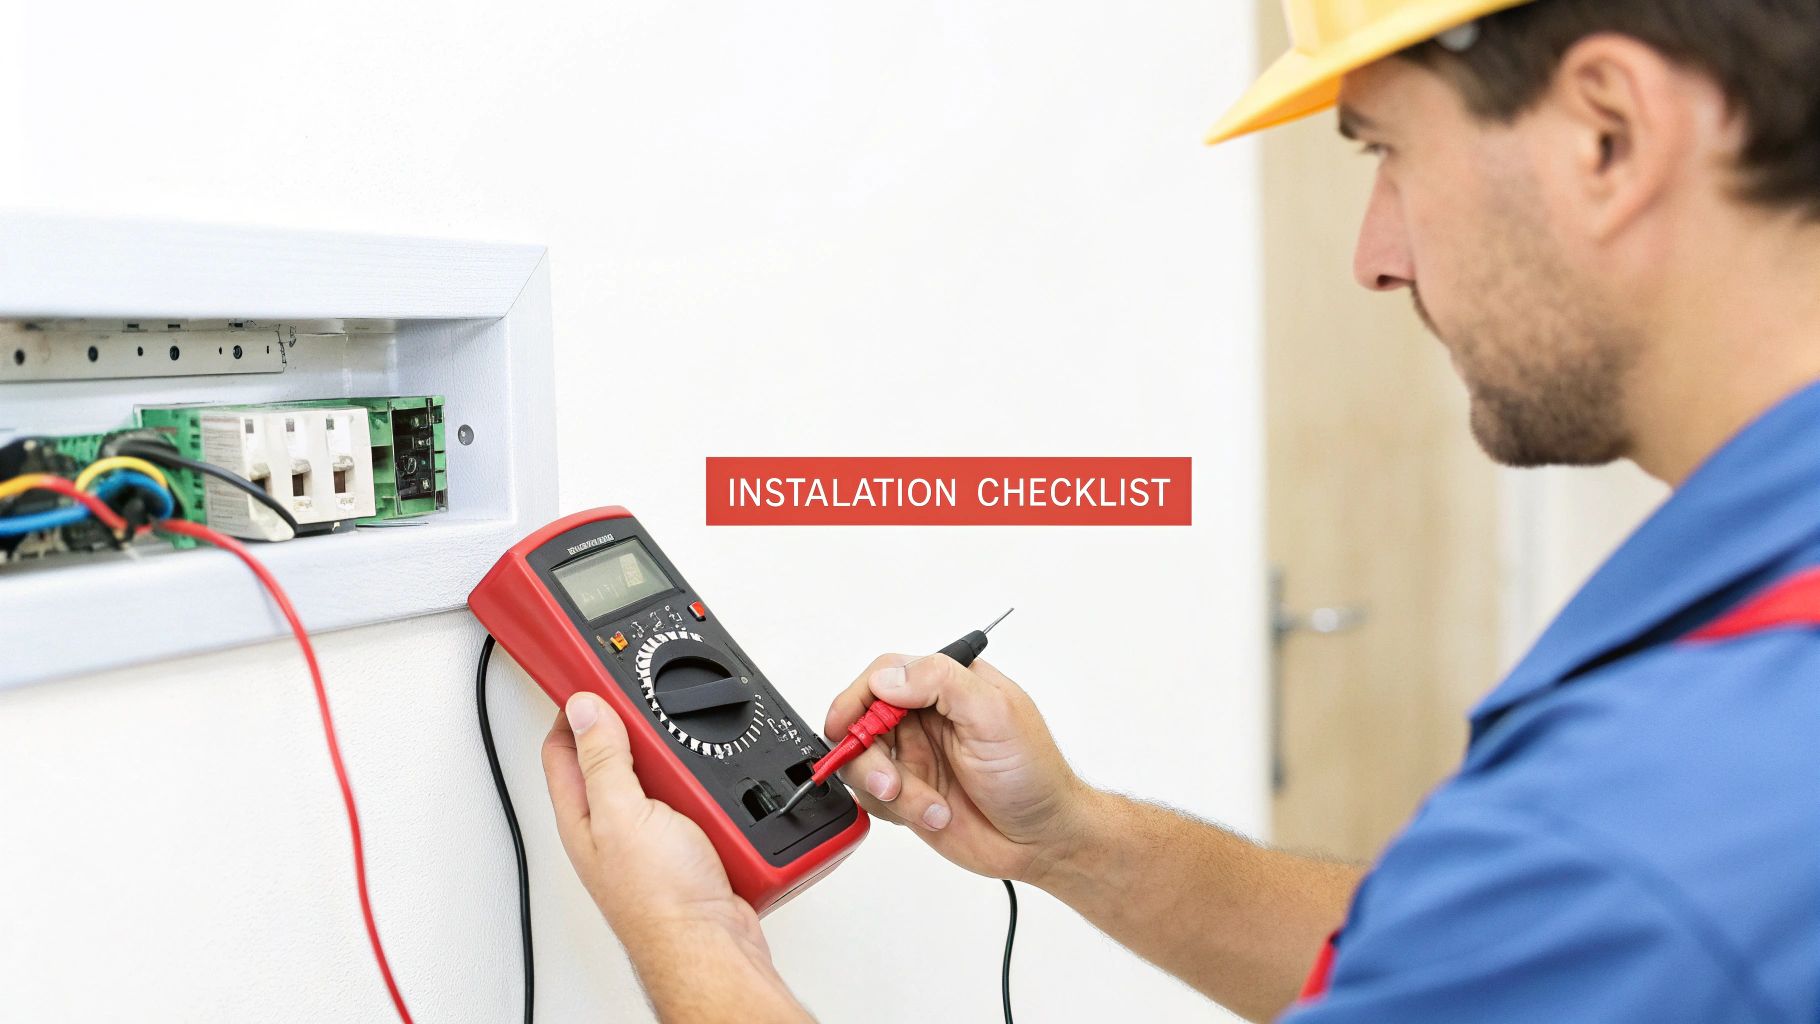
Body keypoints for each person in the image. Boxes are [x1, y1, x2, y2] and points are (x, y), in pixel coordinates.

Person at [540, 0, 1820, 1019]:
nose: (1373, 254)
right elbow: (1476, 961)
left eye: (1384, 152)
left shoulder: (1669, 798)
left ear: (1606, 133)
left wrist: (700, 947)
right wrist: (1077, 840)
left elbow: (1569, 914)